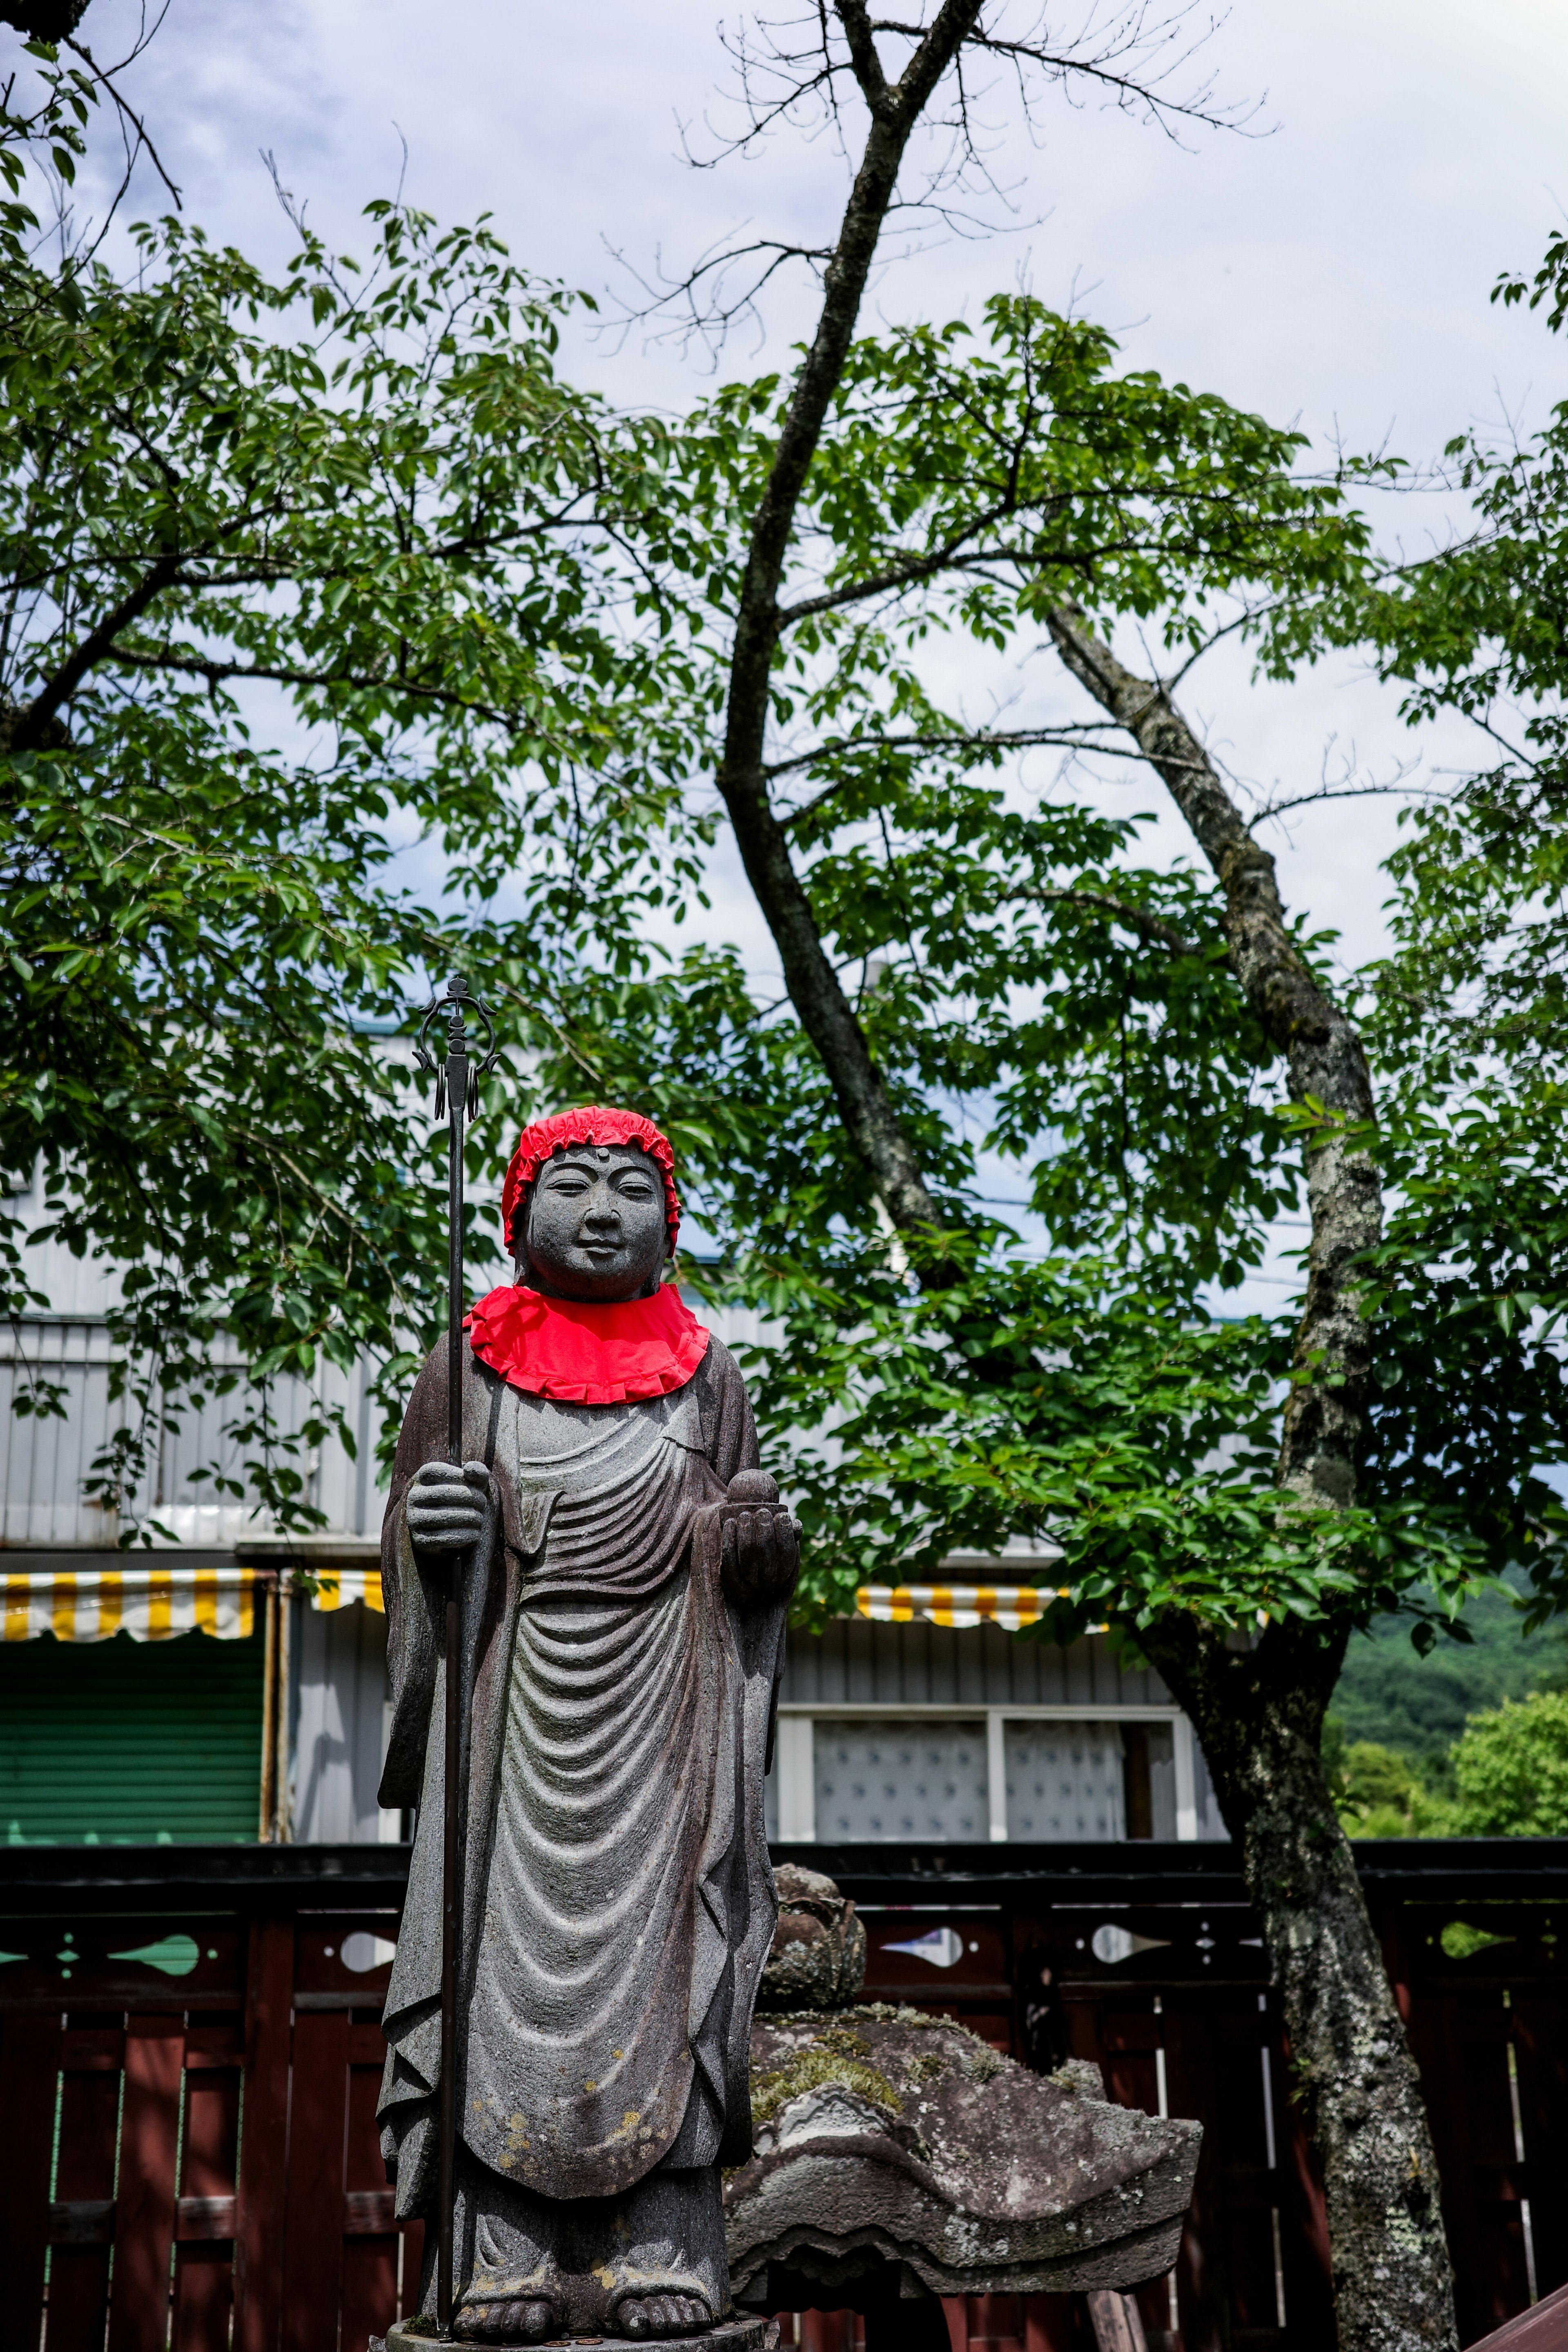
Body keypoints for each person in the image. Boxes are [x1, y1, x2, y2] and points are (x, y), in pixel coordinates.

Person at [376, 1107, 798, 2343]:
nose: (605, 1210)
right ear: (520, 1212)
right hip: (510, 1710)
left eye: (631, 1188)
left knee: (671, 1974)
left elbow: (737, 1548)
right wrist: (434, 1534)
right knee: (498, 1974)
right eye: (573, 1185)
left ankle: (664, 2240)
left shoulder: (707, 1371)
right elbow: (413, 1536)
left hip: (668, 1716)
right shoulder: (468, 1368)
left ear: (671, 1221)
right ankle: (498, 2247)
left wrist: (757, 1553)